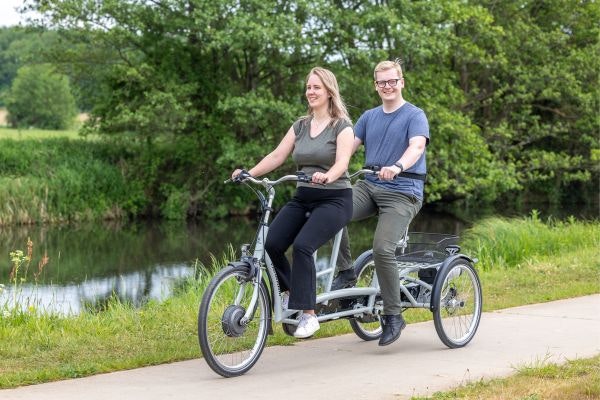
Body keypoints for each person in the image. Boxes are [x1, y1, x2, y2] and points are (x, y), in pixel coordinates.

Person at [231, 67, 354, 339]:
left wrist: (328, 175)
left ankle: (309, 315)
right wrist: (249, 172)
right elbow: (277, 156)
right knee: (270, 245)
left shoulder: (342, 126)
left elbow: (342, 163)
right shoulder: (300, 125)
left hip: (335, 198)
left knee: (302, 246)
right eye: (308, 87)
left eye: (316, 87)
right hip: (304, 197)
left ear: (329, 91)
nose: (311, 92)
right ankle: (289, 295)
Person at [331, 59, 429, 346]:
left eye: (392, 81)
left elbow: (417, 146)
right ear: (375, 86)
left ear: (401, 82)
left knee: (382, 248)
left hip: (403, 189)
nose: (387, 86)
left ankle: (394, 315)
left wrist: (397, 166)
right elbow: (347, 148)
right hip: (369, 185)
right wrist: (327, 168)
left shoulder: (415, 115)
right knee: (329, 210)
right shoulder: (368, 117)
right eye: (382, 82)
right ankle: (347, 272)